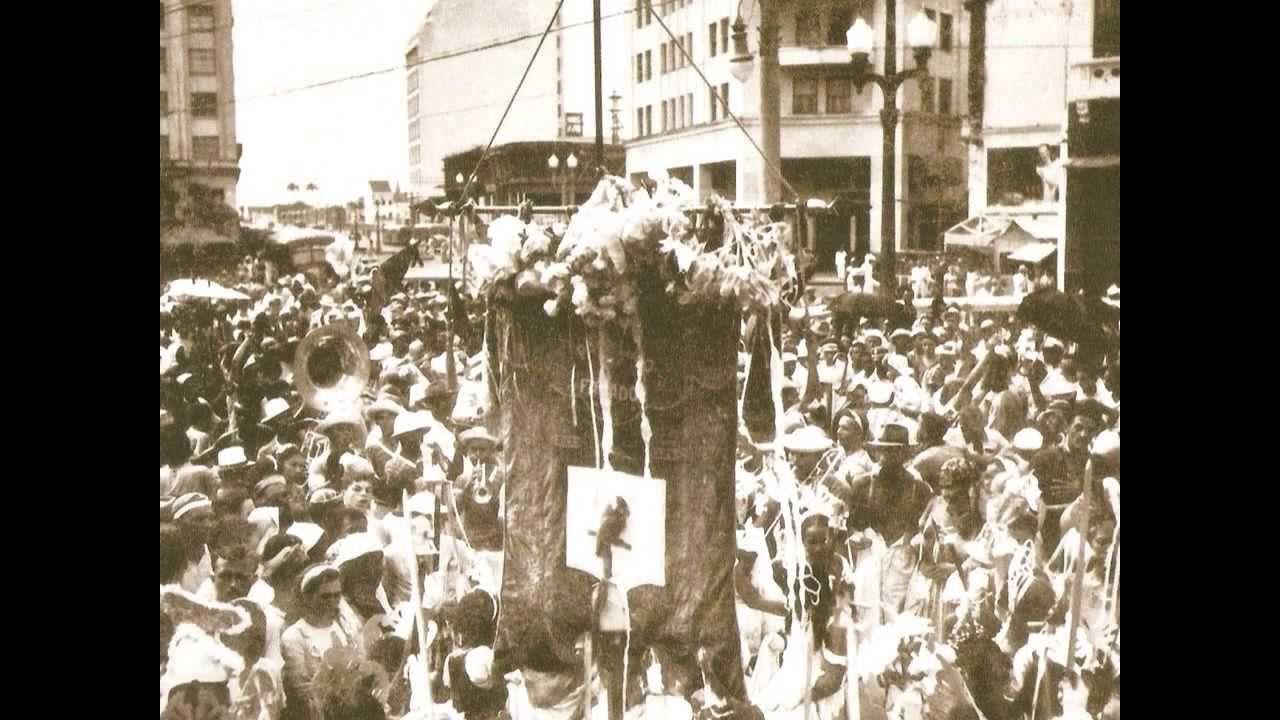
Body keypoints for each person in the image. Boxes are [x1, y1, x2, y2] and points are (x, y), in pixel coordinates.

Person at [842, 423, 934, 618]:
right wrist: (856, 536)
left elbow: (926, 530)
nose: (888, 457)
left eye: (895, 452)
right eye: (884, 451)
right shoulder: (863, 484)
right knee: (865, 614)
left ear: (904, 454)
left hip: (903, 562)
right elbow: (851, 525)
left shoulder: (919, 489)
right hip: (870, 558)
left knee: (900, 618)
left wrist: (916, 541)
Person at [281, 564, 359, 720]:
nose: (332, 601)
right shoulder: (295, 636)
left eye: (337, 595)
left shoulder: (344, 628)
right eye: (325, 596)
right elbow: (302, 690)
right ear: (308, 597)